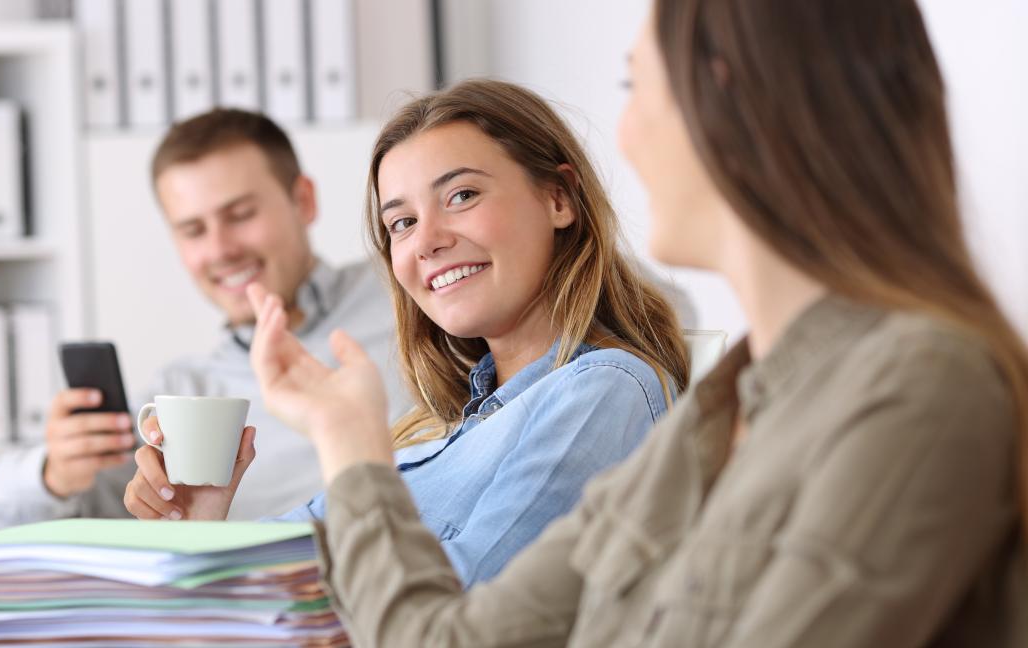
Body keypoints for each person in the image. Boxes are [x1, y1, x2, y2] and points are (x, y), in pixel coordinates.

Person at [242, 1, 1028, 645]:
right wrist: (347, 443)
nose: (624, 135)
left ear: (734, 100)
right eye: (400, 222)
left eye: (634, 87)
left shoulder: (921, 385)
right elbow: (448, 639)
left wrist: (354, 451)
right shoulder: (718, 415)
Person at [123, 80, 692, 586]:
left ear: (559, 198)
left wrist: (347, 444)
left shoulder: (603, 389)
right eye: (402, 222)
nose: (427, 241)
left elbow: (454, 620)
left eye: (461, 196)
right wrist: (205, 525)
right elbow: (285, 559)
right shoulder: (432, 431)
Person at [0, 109, 412, 528]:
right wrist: (56, 472)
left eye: (240, 215)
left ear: (303, 200)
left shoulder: (410, 286)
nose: (221, 250)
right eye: (194, 231)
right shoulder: (180, 399)